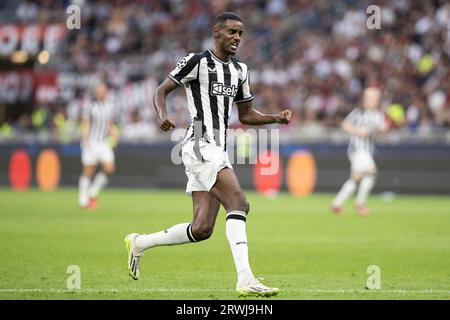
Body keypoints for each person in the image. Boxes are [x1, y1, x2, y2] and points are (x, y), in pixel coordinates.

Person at [124, 12, 291, 297]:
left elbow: (247, 114)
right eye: (232, 32)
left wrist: (275, 117)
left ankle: (139, 243)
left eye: (241, 33)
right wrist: (162, 115)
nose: (237, 37)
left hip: (218, 147)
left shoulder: (241, 70)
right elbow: (161, 90)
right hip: (200, 143)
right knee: (239, 202)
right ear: (217, 32)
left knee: (201, 229)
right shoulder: (196, 61)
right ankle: (246, 278)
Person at [331, 86, 388, 216]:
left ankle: (337, 204)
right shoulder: (358, 113)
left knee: (356, 177)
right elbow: (344, 125)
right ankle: (360, 204)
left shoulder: (379, 116)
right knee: (371, 171)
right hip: (357, 149)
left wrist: (383, 130)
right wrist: (358, 131)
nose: (369, 100)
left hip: (368, 150)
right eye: (367, 98)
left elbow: (381, 132)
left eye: (372, 98)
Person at [78, 81, 119, 209]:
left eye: (102, 90)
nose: (100, 92)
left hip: (103, 143)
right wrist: (86, 140)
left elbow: (109, 124)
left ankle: (93, 191)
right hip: (91, 141)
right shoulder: (90, 106)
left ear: (106, 91)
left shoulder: (109, 105)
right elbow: (86, 123)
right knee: (88, 170)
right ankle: (83, 198)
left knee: (109, 168)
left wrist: (114, 133)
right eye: (98, 90)